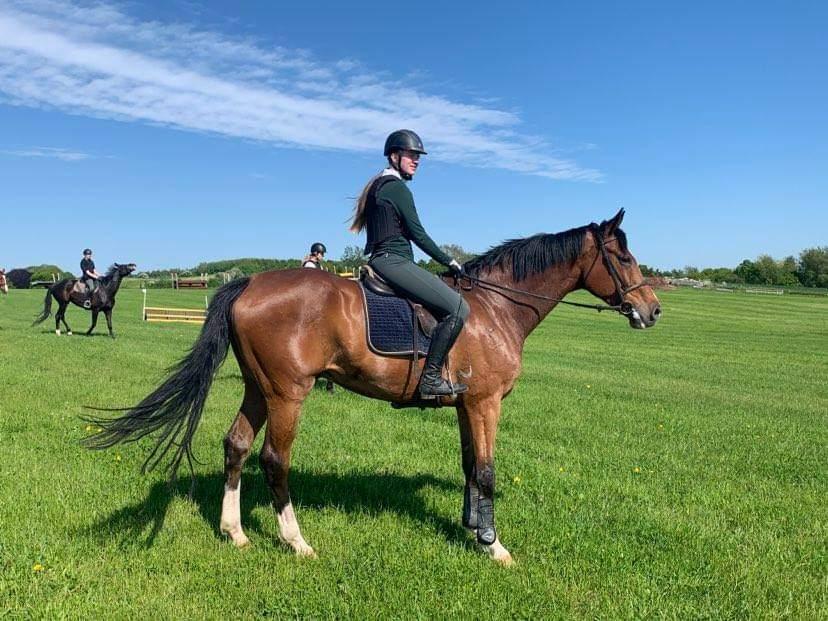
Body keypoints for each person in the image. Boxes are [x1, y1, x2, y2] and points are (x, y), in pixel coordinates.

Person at [350, 129, 470, 398]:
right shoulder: (396, 188)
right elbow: (418, 233)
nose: (416, 161)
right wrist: (450, 261)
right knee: (459, 307)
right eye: (411, 155)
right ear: (395, 156)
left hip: (383, 260)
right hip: (393, 261)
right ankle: (430, 379)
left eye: (418, 157)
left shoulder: (379, 186)